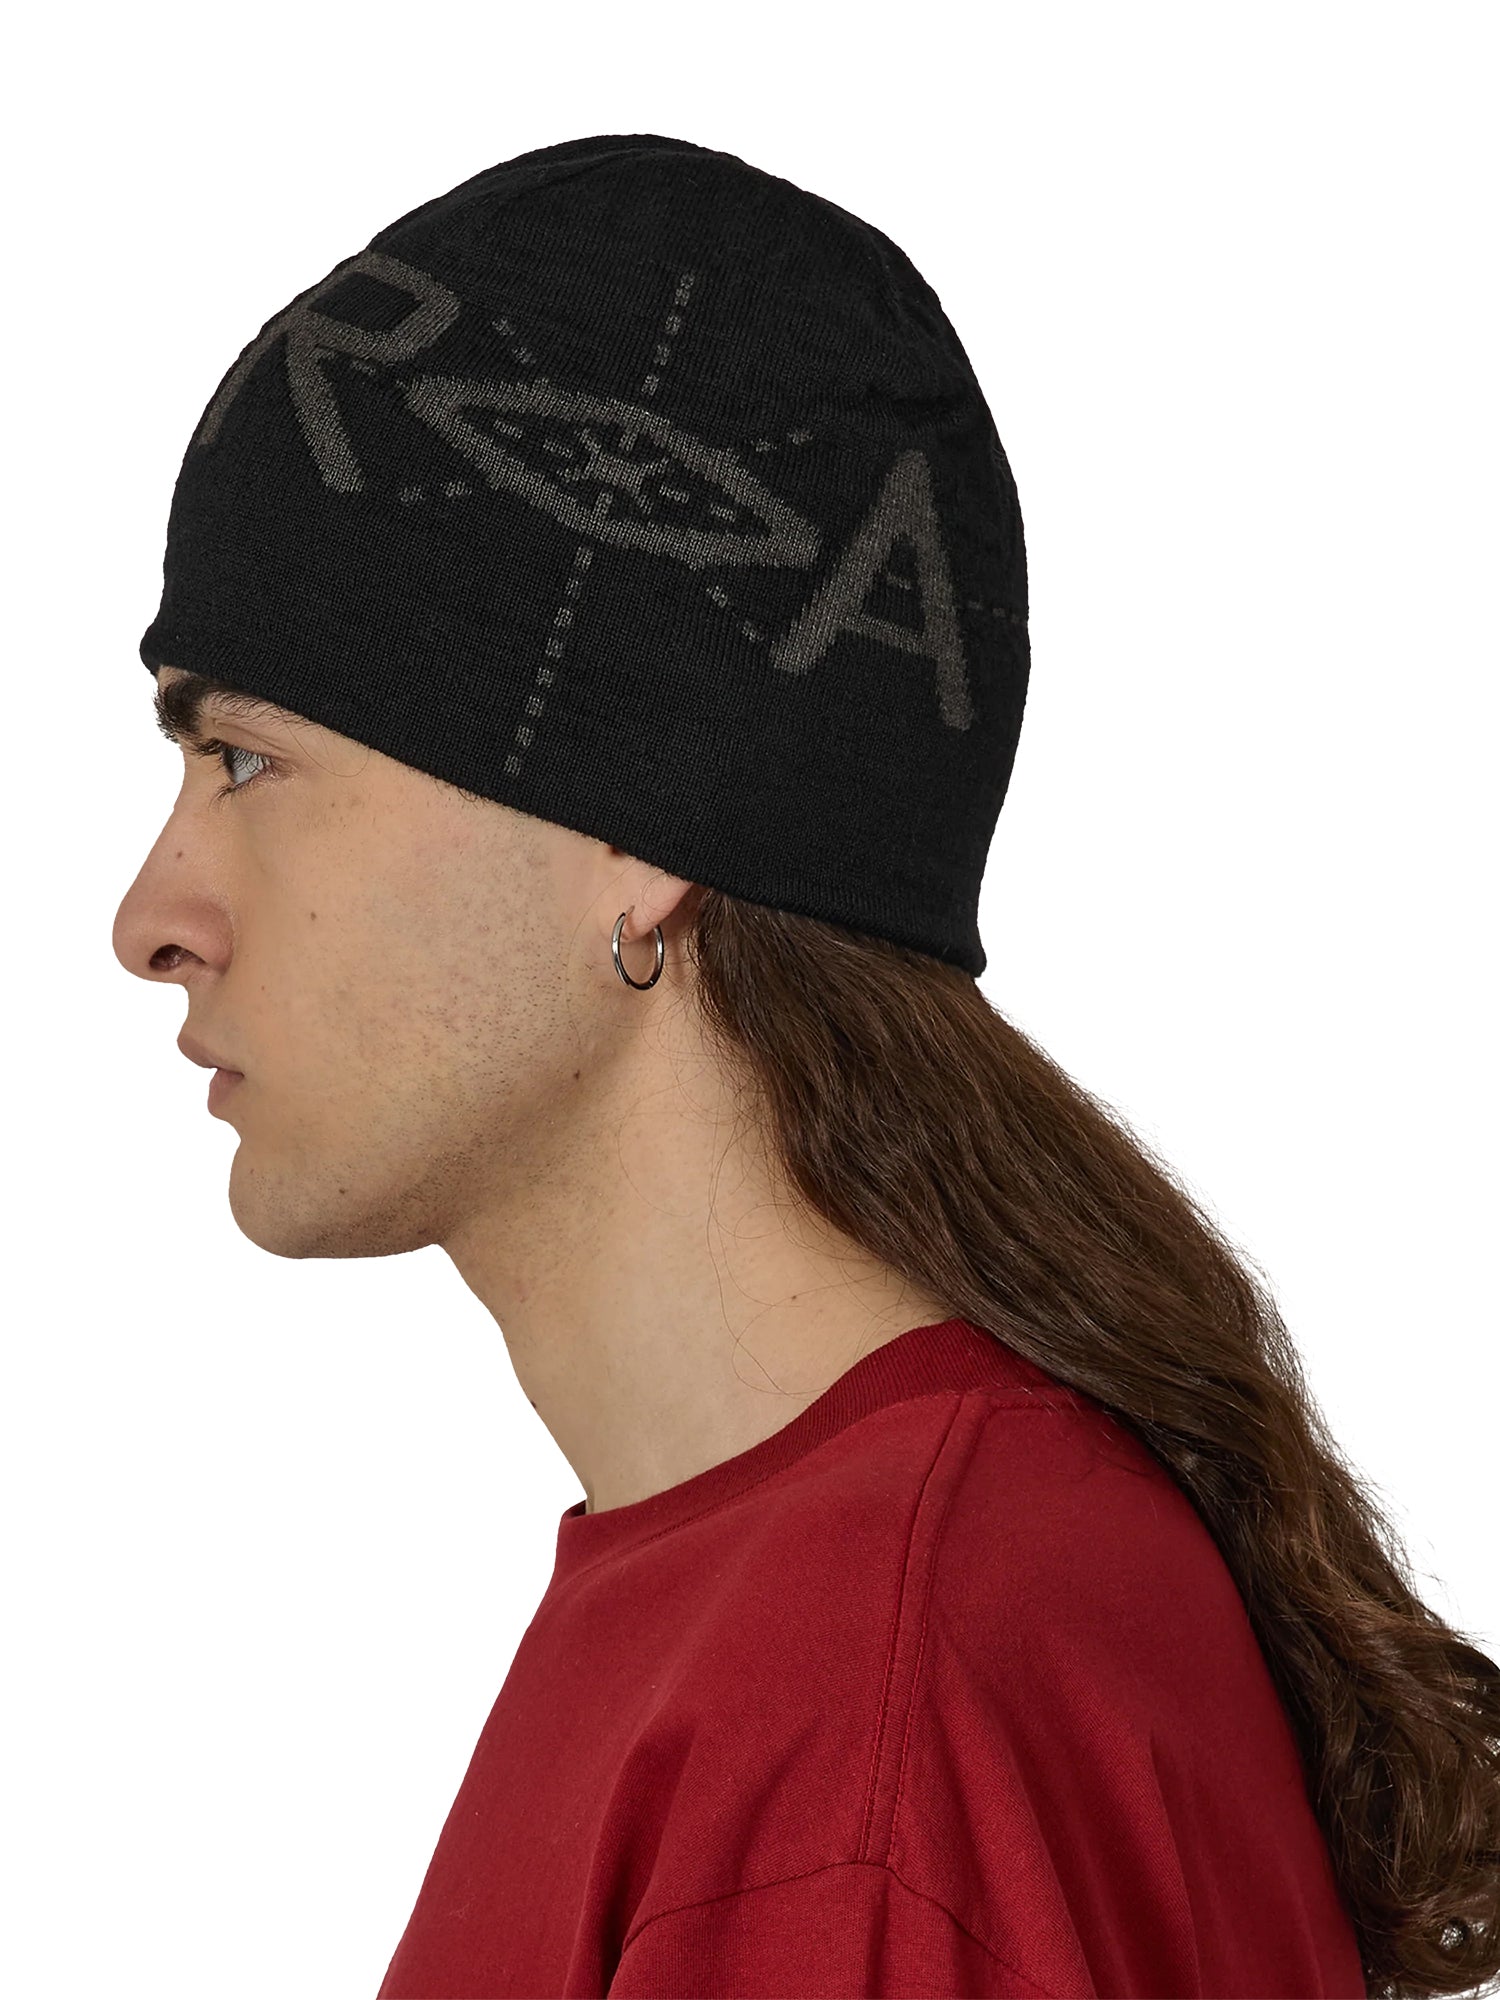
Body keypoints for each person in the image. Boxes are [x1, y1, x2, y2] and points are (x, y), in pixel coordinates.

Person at [113, 134, 1499, 2000]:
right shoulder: (836, 1599)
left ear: (631, 824)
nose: (152, 916)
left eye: (247, 758)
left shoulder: (864, 1705)